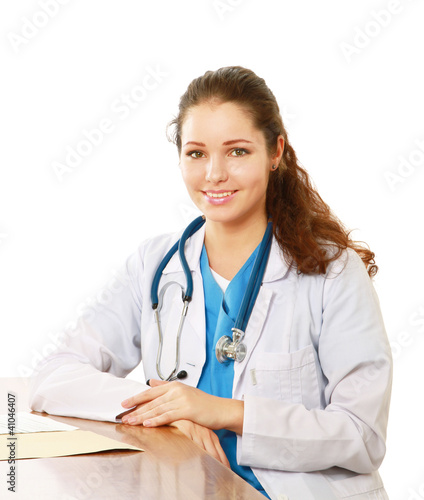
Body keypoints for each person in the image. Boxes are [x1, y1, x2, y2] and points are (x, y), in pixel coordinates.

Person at [29, 66, 392, 500]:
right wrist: (171, 414)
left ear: (275, 151)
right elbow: (54, 377)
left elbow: (362, 435)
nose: (214, 174)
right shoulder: (154, 265)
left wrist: (221, 412)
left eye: (237, 152)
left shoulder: (332, 273)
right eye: (196, 153)